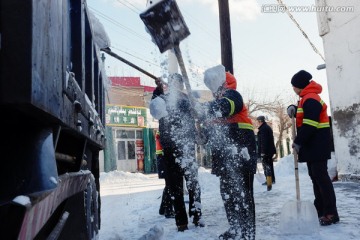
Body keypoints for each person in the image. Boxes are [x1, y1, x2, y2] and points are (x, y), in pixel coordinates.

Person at [198, 65, 257, 240]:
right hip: (224, 159)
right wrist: (200, 132)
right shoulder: (215, 106)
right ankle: (235, 228)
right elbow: (204, 138)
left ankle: (246, 233)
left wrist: (203, 108)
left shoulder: (232, 95)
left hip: (240, 156)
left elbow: (225, 107)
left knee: (243, 195)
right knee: (228, 195)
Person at [149, 73, 203, 232]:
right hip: (170, 149)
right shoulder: (163, 99)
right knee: (175, 187)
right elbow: (154, 108)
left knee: (192, 184)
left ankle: (197, 215)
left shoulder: (187, 100)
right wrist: (157, 90)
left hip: (186, 148)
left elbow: (197, 113)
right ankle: (182, 222)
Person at [287, 70, 339, 226]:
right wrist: (294, 109)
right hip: (313, 145)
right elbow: (305, 115)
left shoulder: (311, 99)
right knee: (316, 178)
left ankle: (331, 213)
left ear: (300, 85)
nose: (293, 89)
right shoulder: (306, 98)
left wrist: (298, 141)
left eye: (294, 86)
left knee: (321, 179)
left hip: (317, 144)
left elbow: (310, 123)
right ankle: (321, 209)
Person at [155, 130, 175, 218]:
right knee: (170, 186)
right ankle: (168, 210)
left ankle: (163, 209)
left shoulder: (161, 132)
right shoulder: (164, 132)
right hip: (164, 160)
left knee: (168, 185)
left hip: (162, 160)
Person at [256, 116, 277, 191]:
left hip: (266, 151)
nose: (257, 123)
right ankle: (271, 180)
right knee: (269, 165)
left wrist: (263, 152)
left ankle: (269, 181)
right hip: (269, 151)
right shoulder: (266, 127)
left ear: (260, 121)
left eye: (257, 121)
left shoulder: (264, 129)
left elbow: (264, 142)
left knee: (266, 166)